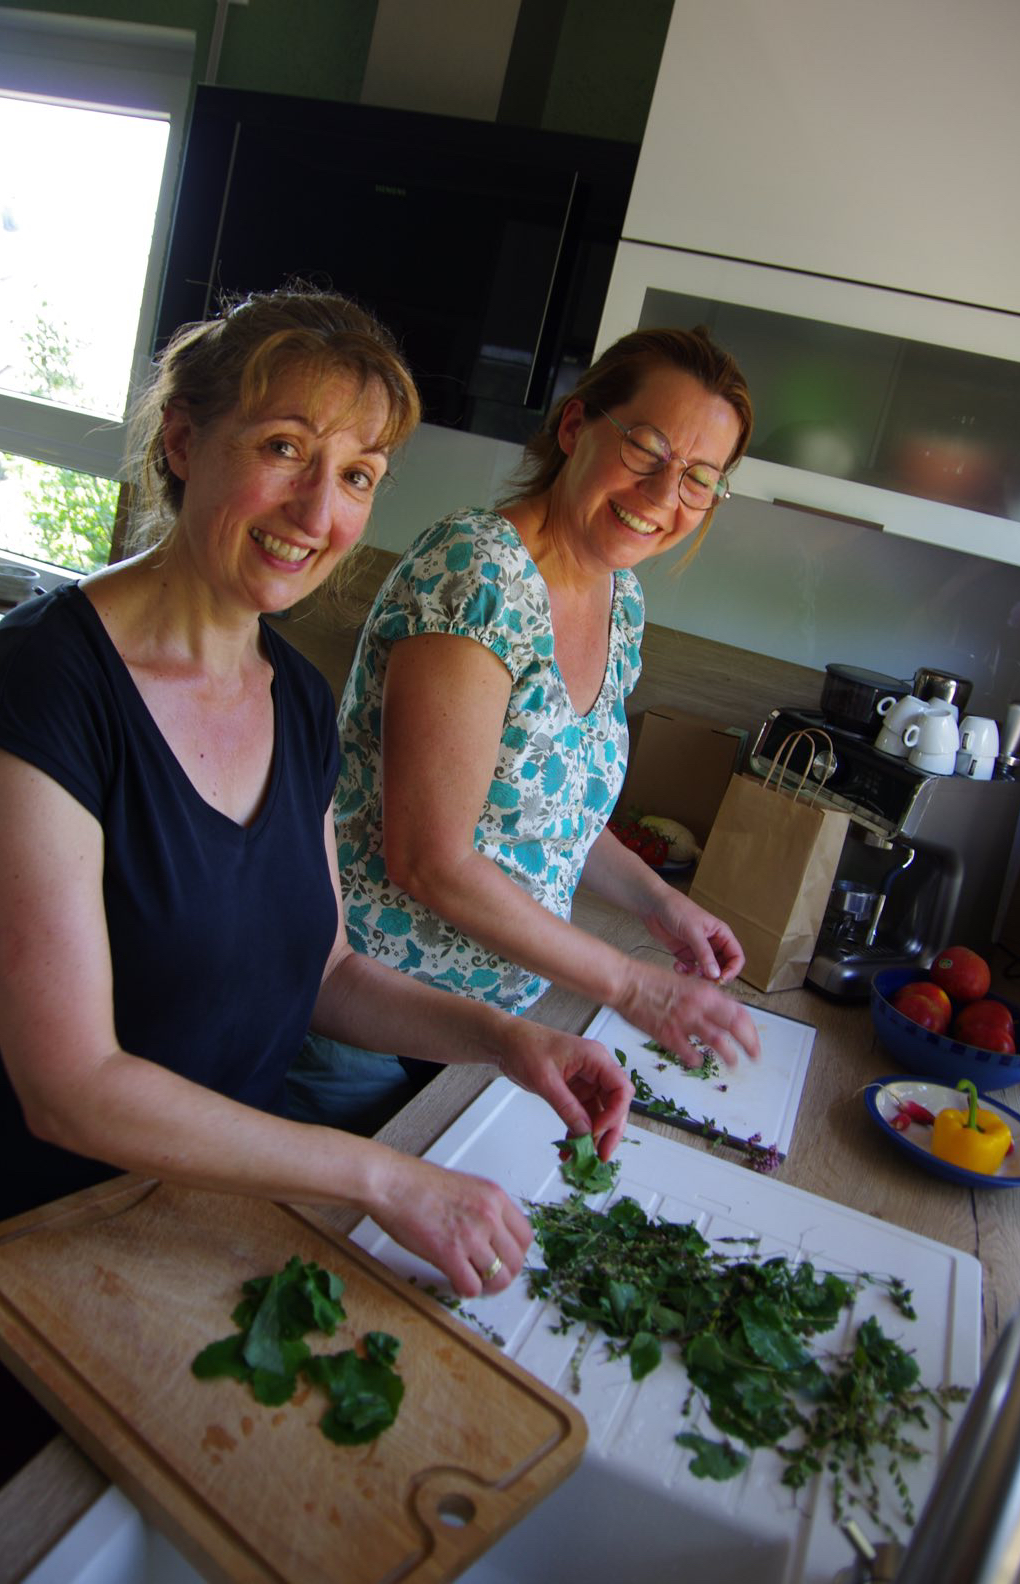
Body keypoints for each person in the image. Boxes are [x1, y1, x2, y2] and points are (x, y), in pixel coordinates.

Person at [0, 286, 632, 1304]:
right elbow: (70, 1086)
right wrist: (378, 1173)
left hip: (206, 1224)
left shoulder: (295, 697)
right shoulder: (42, 685)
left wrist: (510, 1039)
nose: (319, 512)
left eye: (358, 474)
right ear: (186, 441)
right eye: (285, 448)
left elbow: (325, 970)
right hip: (40, 1247)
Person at [288, 325, 762, 1130]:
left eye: (699, 479)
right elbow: (430, 860)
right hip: (363, 1017)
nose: (661, 495)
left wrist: (659, 904)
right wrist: (633, 984)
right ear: (576, 427)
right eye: (645, 449)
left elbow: (554, 812)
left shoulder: (621, 600)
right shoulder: (479, 573)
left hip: (483, 1033)